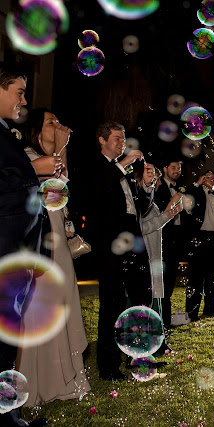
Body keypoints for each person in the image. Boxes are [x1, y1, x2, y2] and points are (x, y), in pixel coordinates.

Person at [17, 108, 91, 405]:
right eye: (52, 123)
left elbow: (61, 195)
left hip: (58, 242)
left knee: (64, 306)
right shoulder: (26, 156)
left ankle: (66, 378)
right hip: (39, 245)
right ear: (36, 131)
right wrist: (62, 146)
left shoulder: (54, 157)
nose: (59, 126)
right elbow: (52, 185)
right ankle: (39, 382)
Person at [0, 62, 54, 426]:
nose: (24, 99)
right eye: (18, 91)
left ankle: (10, 414)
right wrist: (34, 171)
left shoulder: (7, 134)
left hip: (16, 255)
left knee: (6, 342)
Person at [88, 121, 155, 381]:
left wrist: (147, 186)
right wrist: (122, 163)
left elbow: (138, 209)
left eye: (123, 138)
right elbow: (96, 191)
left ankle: (137, 355)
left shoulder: (124, 173)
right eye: (116, 139)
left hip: (133, 241)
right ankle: (108, 366)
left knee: (142, 298)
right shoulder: (96, 167)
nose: (122, 143)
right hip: (111, 246)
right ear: (102, 140)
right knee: (113, 304)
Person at [183, 170, 214, 321]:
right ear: (202, 179)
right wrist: (197, 184)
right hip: (201, 238)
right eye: (208, 177)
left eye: (213, 177)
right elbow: (185, 195)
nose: (211, 179)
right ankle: (192, 312)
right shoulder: (196, 194)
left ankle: (210, 310)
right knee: (195, 277)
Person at [154, 159, 186, 331]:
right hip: (161, 241)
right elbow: (158, 214)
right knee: (162, 283)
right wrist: (174, 199)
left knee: (170, 282)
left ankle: (166, 319)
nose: (176, 170)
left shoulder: (181, 189)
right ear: (165, 168)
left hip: (175, 242)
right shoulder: (159, 188)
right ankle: (162, 320)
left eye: (179, 168)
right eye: (173, 167)